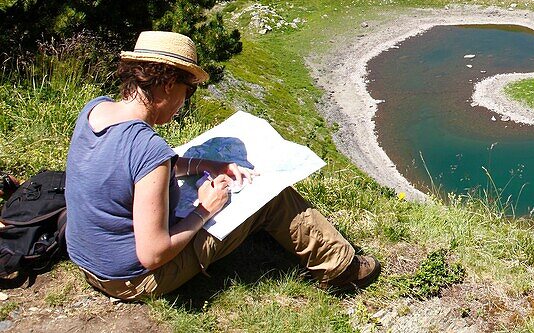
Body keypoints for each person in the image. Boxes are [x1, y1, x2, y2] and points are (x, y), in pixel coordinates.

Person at [65, 31, 380, 300]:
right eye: (186, 91)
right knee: (271, 198)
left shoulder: (96, 110)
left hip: (90, 261)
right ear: (166, 85)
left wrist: (209, 165)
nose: (183, 102)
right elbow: (153, 254)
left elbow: (134, 167)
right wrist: (205, 210)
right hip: (131, 280)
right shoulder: (148, 149)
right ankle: (341, 268)